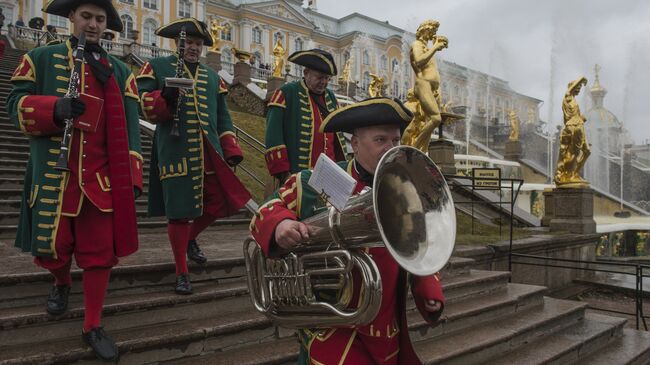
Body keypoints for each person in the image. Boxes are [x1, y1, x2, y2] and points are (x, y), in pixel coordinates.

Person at [250, 97, 445, 364]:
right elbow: (267, 209)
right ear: (355, 144)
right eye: (380, 140)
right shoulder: (315, 181)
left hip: (384, 329)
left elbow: (419, 246)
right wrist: (280, 224)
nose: (391, 149)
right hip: (331, 327)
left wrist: (428, 290)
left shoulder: (405, 192)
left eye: (396, 141)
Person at [7, 0, 143, 361]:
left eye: (100, 19)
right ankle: (61, 282)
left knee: (100, 256)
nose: (93, 25)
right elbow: (14, 104)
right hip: (56, 173)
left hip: (101, 180)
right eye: (87, 17)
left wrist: (131, 176)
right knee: (55, 246)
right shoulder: (40, 58)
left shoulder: (118, 71)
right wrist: (53, 108)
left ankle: (93, 324)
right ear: (71, 18)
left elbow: (132, 129)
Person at [137, 18, 251, 294]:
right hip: (174, 150)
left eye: (198, 44)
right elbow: (142, 105)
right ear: (178, 42)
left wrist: (231, 149)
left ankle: (189, 239)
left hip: (209, 152)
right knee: (177, 214)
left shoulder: (212, 78)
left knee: (218, 203)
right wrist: (164, 98)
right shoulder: (158, 67)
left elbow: (223, 118)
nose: (193, 48)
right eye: (189, 42)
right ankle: (181, 272)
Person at [265, 48, 346, 185]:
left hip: (329, 176)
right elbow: (273, 137)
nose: (324, 82)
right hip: (297, 177)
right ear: (306, 73)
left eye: (327, 78)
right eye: (320, 77)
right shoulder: (287, 93)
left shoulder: (331, 97)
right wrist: (284, 174)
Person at [409, 19, 448, 151]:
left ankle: (422, 152)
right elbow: (419, 61)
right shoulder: (416, 44)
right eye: (431, 31)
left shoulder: (427, 48)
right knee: (436, 118)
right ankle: (413, 148)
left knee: (428, 123)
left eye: (434, 32)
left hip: (432, 89)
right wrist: (435, 47)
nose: (432, 34)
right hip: (423, 85)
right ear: (423, 30)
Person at [555, 76, 590, 184]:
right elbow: (569, 90)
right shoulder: (568, 97)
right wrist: (582, 79)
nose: (579, 89)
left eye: (580, 87)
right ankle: (568, 174)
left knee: (587, 151)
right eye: (577, 87)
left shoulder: (574, 101)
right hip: (573, 127)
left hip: (579, 127)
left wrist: (582, 118)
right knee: (573, 152)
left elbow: (577, 116)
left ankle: (575, 173)